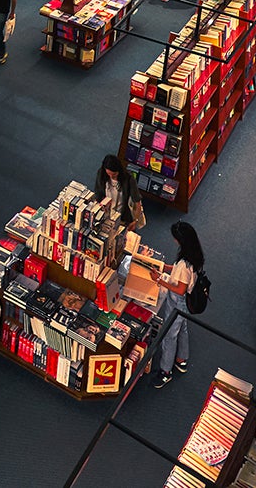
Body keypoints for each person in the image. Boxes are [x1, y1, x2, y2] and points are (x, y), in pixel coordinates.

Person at [151, 221, 205, 388]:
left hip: (177, 302)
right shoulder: (193, 255)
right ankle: (181, 359)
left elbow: (180, 289)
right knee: (182, 328)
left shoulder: (183, 264)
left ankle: (165, 371)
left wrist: (159, 280)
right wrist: (163, 267)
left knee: (169, 336)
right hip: (186, 302)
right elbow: (178, 272)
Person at [94, 154, 144, 232]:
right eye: (109, 174)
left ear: (119, 170)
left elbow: (137, 202)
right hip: (106, 214)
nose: (111, 177)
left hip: (122, 216)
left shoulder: (129, 179)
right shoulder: (101, 174)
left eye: (114, 174)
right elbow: (98, 193)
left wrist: (135, 221)